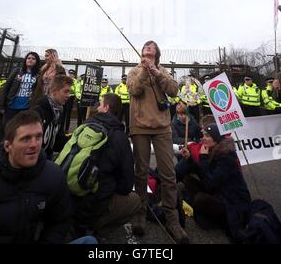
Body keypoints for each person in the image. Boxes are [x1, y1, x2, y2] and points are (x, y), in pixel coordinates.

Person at [127, 40, 189, 244]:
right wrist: (145, 70)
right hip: (139, 126)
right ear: (142, 52)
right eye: (146, 45)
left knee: (168, 173)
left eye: (152, 46)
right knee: (141, 171)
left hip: (162, 127)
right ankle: (139, 213)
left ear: (157, 53)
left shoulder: (163, 71)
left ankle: (172, 219)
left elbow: (173, 90)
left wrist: (156, 72)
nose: (148, 46)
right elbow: (134, 90)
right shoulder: (134, 71)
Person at [0, 110, 72, 243]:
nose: (34, 145)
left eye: (38, 137)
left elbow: (60, 222)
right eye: (26, 138)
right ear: (8, 146)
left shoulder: (53, 175)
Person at [71, 93, 141, 242]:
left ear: (106, 108)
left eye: (100, 104)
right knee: (135, 200)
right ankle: (99, 230)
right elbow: (127, 184)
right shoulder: (120, 137)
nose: (97, 107)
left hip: (69, 197)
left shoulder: (84, 126)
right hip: (95, 204)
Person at [180, 123, 251, 241]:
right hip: (218, 192)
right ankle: (203, 211)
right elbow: (206, 174)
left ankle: (214, 218)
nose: (203, 139)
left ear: (217, 138)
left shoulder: (226, 157)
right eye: (203, 135)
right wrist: (190, 159)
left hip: (232, 202)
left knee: (199, 199)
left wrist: (202, 158)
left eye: (207, 136)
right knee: (188, 180)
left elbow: (210, 183)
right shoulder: (214, 150)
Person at [33, 74, 73, 159]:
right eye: (66, 91)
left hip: (47, 159)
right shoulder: (38, 111)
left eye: (69, 92)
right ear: (54, 91)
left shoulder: (60, 111)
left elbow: (58, 144)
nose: (68, 95)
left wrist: (75, 138)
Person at [0, 52, 41, 125]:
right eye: (28, 58)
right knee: (8, 128)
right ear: (25, 60)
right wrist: (1, 104)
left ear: (36, 62)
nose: (30, 60)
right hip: (11, 106)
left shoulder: (38, 75)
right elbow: (6, 87)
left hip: (26, 108)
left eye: (33, 59)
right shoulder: (17, 71)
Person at [63, 69, 79, 133]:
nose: (71, 75)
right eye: (70, 73)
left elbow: (76, 89)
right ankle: (61, 127)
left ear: (74, 75)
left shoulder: (75, 81)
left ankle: (66, 129)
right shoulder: (65, 80)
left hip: (71, 97)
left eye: (72, 74)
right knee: (63, 113)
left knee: (68, 114)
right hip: (64, 97)